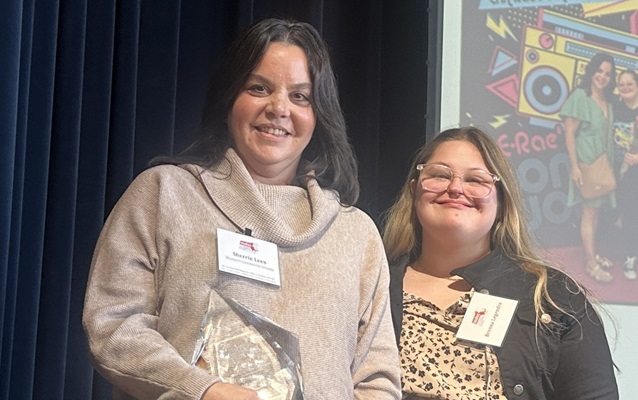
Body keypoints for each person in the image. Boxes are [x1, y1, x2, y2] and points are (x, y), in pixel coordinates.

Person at [83, 18, 401, 400]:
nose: (279, 108)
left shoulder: (356, 233)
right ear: (229, 98)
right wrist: (202, 390)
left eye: (300, 96)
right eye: (259, 88)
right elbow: (113, 326)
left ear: (320, 115)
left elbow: (376, 380)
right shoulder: (164, 194)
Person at [382, 126, 618, 399]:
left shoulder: (555, 299)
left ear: (502, 201)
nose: (455, 188)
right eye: (439, 175)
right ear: (415, 190)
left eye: (476, 180)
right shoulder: (371, 289)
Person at [560, 52, 617, 283]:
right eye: (599, 71)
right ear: (591, 71)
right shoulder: (580, 97)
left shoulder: (606, 100)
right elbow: (570, 134)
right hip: (586, 163)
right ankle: (591, 263)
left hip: (603, 163)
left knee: (596, 212)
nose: (602, 77)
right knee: (589, 211)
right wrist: (575, 167)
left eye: (607, 73)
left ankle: (591, 253)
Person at [612, 69, 638, 280]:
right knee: (626, 216)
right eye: (622, 84)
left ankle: (631, 257)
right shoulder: (615, 108)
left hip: (635, 173)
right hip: (616, 172)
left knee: (632, 216)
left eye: (630, 83)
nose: (626, 87)